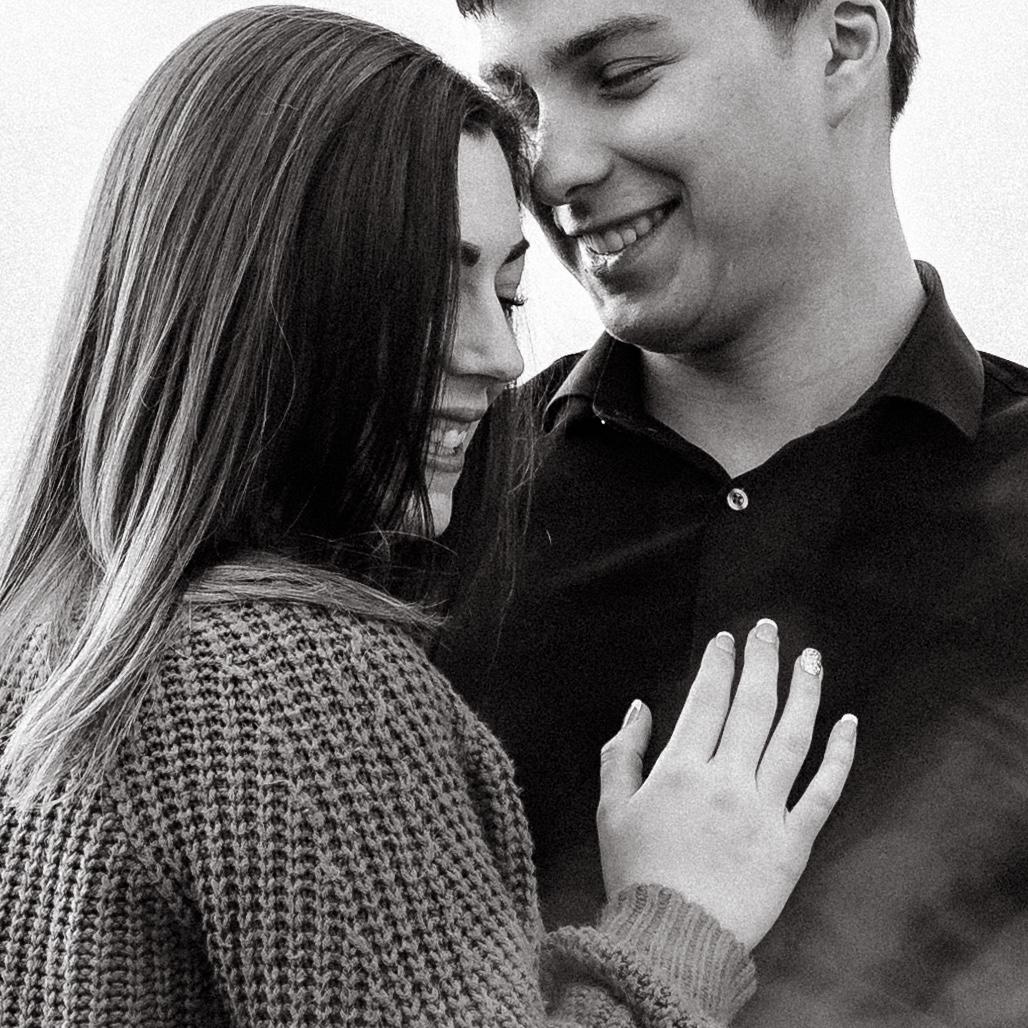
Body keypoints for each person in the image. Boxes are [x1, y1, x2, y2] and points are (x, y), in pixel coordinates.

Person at [0, 7, 858, 1026]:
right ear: (263, 291)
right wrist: (679, 919)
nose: (500, 357)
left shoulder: (39, 648)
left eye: (508, 293)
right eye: (432, 286)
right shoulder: (295, 686)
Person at [438, 0, 1028, 1024]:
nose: (550, 166)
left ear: (843, 42)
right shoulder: (427, 514)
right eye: (519, 106)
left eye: (620, 76)